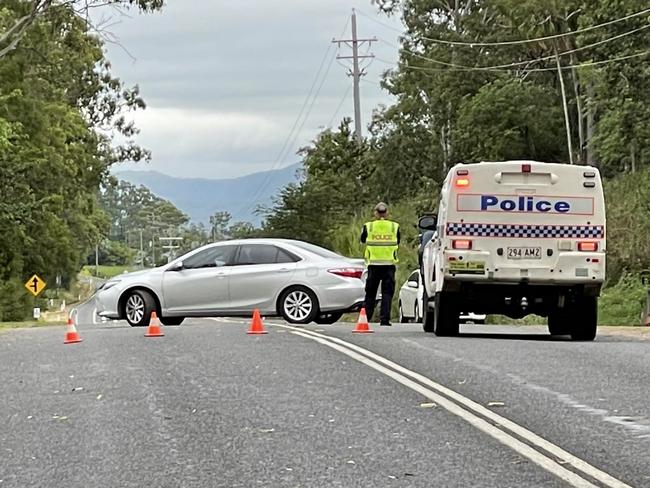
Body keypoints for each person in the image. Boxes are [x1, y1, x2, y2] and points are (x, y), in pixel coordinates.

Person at [360, 202, 400, 326]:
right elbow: (398, 240)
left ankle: (366, 318)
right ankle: (385, 319)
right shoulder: (394, 226)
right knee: (387, 293)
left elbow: (362, 240)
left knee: (370, 293)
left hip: (374, 265)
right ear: (387, 212)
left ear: (375, 213)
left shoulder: (369, 226)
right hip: (388, 265)